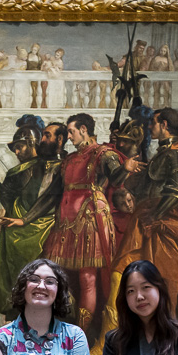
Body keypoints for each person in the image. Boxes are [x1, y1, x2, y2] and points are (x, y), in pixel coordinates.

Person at [102, 107, 178, 334]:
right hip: (147, 222)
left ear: (165, 125)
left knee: (165, 280)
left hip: (163, 225)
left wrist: (154, 216)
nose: (150, 126)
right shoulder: (164, 154)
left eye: (154, 122)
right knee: (126, 270)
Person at [45, 113, 124, 329]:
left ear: (83, 130)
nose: (69, 137)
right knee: (59, 274)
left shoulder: (103, 154)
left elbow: (117, 177)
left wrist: (125, 169)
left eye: (71, 132)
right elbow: (54, 194)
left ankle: (83, 332)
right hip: (65, 222)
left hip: (89, 219)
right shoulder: (69, 159)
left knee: (87, 278)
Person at [0, 120, 66, 315]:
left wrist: (24, 219)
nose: (17, 152)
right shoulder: (17, 172)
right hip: (16, 228)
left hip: (42, 226)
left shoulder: (52, 167)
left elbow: (48, 198)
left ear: (32, 143)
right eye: (15, 149)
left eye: (20, 147)